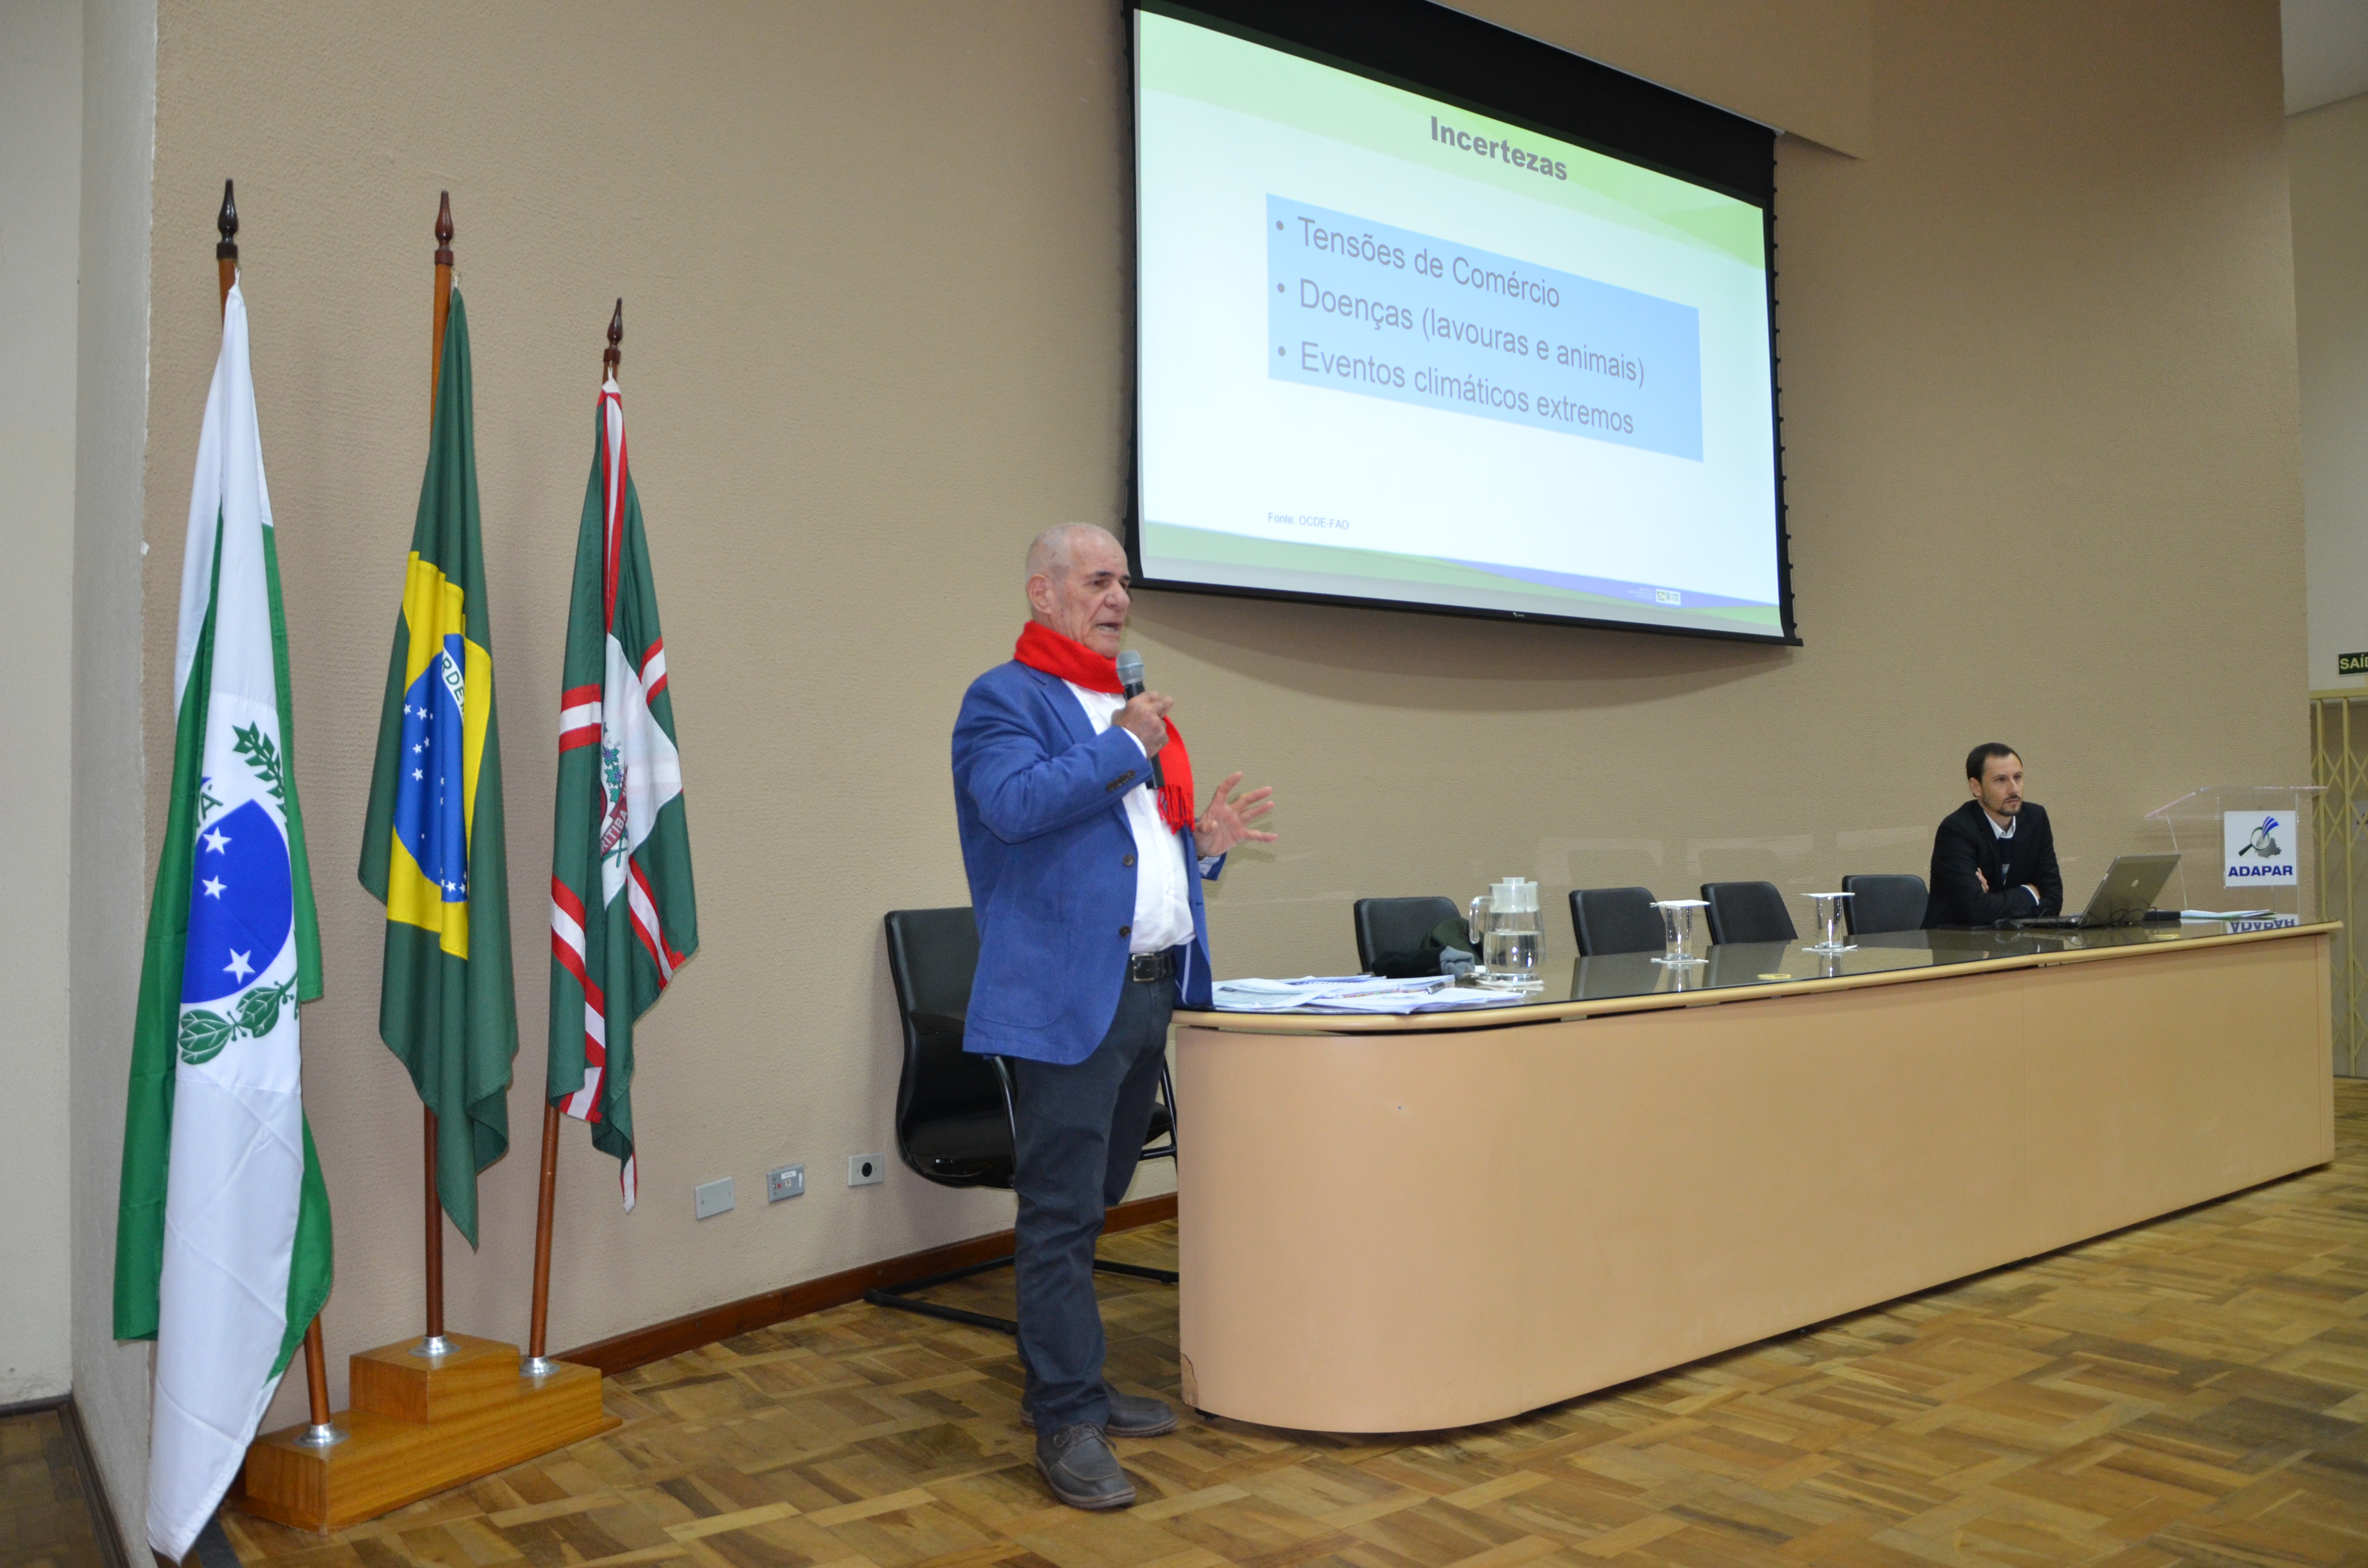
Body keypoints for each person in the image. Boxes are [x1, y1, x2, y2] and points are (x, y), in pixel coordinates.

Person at [950, 523, 1276, 1511]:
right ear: (1042, 593)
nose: (1118, 600)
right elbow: (1012, 806)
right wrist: (1122, 744)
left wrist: (1202, 845)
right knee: (1058, 1217)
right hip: (1064, 1003)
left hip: (1146, 996)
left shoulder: (1131, 714)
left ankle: (1077, 1383)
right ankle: (1064, 1419)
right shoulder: (1006, 699)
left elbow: (1133, 852)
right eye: (1097, 582)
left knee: (1092, 1203)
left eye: (1123, 584)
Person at [1924, 743, 2063, 926]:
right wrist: (2030, 894)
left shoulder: (2035, 819)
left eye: (2018, 778)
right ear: (1976, 788)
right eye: (2001, 780)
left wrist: (1991, 901)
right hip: (1957, 946)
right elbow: (1975, 911)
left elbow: (2053, 899)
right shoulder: (1956, 831)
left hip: (2018, 943)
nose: (2014, 789)